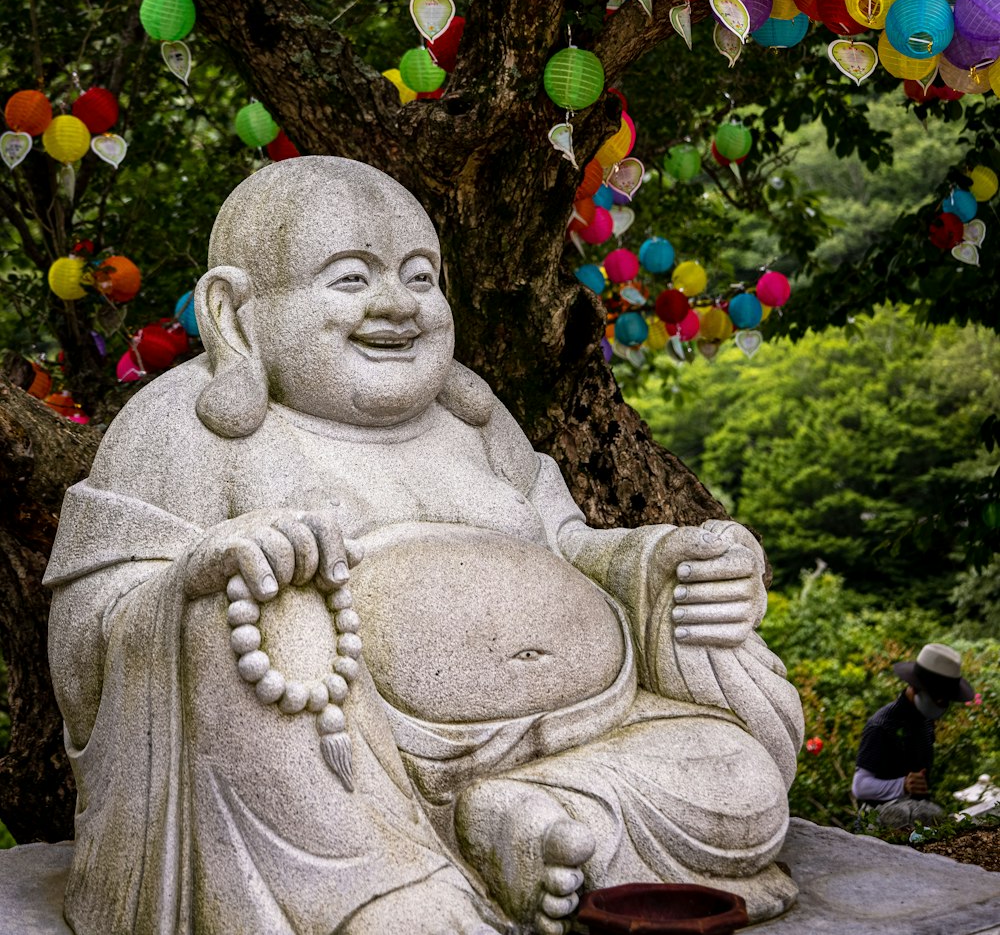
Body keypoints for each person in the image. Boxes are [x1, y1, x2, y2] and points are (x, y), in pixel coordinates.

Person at [44, 158, 804, 935]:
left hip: (586, 735)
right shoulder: (182, 429)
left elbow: (570, 544)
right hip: (347, 785)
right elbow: (84, 650)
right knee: (238, 613)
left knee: (740, 782)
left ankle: (519, 823)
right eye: (349, 278)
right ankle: (385, 889)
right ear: (234, 311)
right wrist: (196, 580)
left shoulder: (472, 418)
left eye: (420, 276)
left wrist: (669, 566)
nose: (397, 305)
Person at [853, 642, 975, 829]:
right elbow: (860, 786)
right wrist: (903, 785)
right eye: (939, 698)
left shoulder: (925, 720)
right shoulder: (881, 725)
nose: (943, 705)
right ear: (916, 688)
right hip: (878, 824)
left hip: (916, 818)